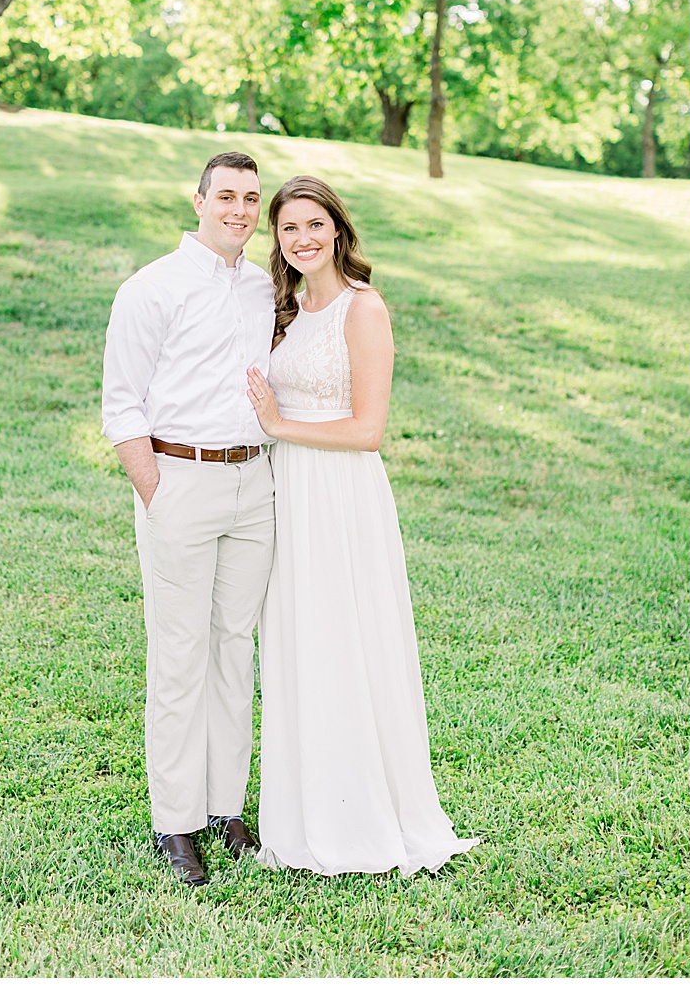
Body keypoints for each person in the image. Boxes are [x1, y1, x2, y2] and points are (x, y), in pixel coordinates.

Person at [244, 174, 479, 876]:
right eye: (289, 228)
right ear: (279, 240)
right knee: (297, 643)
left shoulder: (362, 308)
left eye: (315, 224)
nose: (303, 238)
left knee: (345, 638)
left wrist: (281, 425)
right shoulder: (286, 310)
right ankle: (306, 812)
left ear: (338, 231)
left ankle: (363, 813)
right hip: (286, 489)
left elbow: (370, 429)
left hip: (341, 494)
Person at [101, 151, 276, 887]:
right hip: (181, 481)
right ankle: (174, 823)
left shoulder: (265, 287)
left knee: (235, 651)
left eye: (251, 199)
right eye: (226, 196)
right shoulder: (152, 287)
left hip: (255, 486)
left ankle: (223, 808)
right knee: (179, 657)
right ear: (199, 200)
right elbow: (122, 403)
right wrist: (156, 489)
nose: (239, 210)